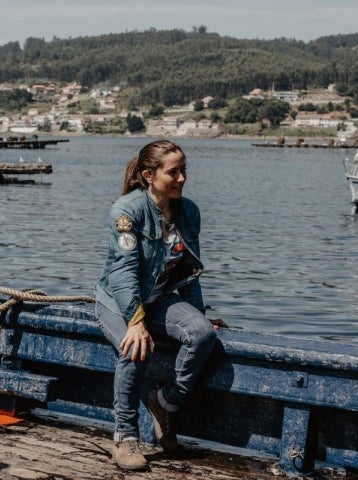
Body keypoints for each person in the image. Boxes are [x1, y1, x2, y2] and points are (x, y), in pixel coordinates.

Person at [95, 139, 226, 471]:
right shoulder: (127, 211)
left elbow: (189, 271)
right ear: (148, 175)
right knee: (136, 348)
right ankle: (125, 437)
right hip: (118, 302)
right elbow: (123, 273)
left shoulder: (188, 211)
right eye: (173, 172)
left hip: (160, 298)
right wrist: (136, 322)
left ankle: (164, 402)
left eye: (184, 170)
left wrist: (200, 314)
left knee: (201, 336)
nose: (181, 178)